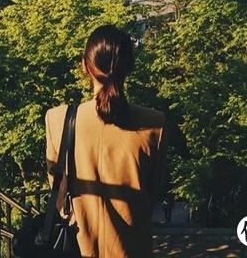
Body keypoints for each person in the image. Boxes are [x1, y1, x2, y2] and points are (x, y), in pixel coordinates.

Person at [45, 25, 167, 258]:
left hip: (78, 247)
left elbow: (58, 196)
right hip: (132, 248)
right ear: (129, 67)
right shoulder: (155, 124)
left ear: (84, 66)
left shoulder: (58, 119)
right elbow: (152, 192)